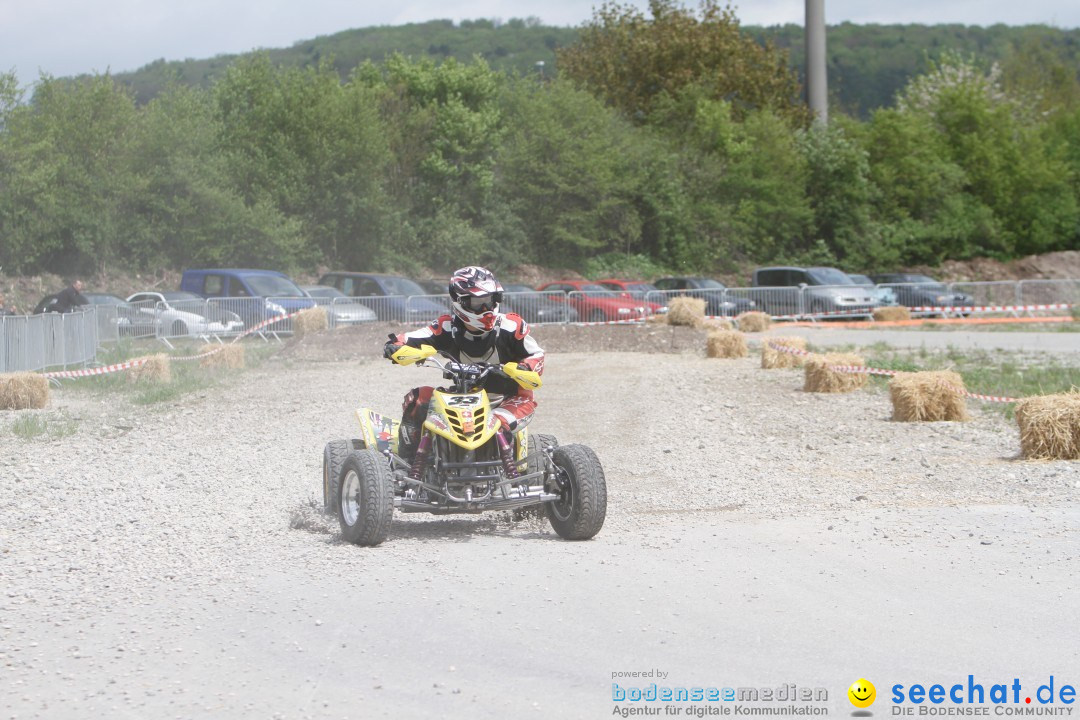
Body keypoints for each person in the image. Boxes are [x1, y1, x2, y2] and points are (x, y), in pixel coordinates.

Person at [383, 266, 545, 460]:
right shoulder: (446, 327)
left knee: (495, 425)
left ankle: (506, 474)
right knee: (417, 399)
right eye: (479, 302)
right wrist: (395, 346)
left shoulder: (512, 326)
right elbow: (409, 338)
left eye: (490, 300)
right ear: (460, 301)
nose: (486, 308)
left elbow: (536, 354)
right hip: (464, 399)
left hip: (510, 399)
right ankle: (408, 465)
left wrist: (524, 367)